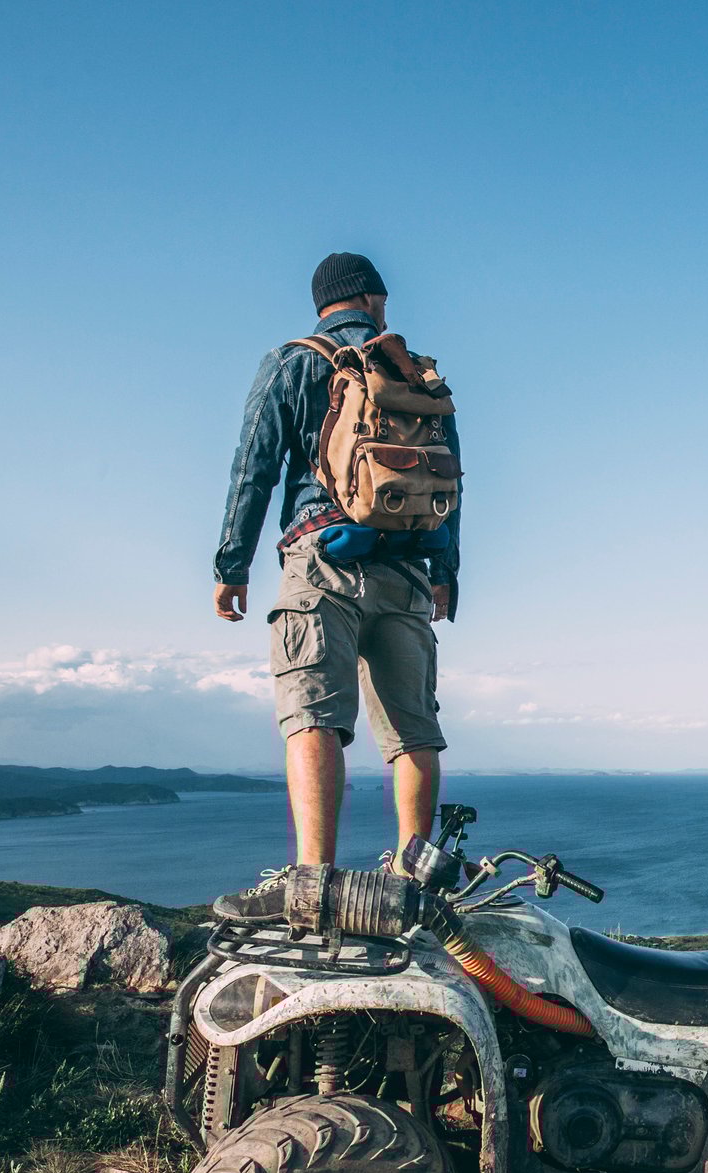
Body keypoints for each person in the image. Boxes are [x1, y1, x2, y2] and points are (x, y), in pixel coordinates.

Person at [209, 253, 460, 921]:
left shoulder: (293, 362)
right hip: (406, 566)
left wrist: (230, 565)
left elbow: (253, 468)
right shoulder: (415, 372)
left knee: (314, 715)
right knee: (412, 731)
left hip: (322, 555)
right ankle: (414, 877)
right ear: (375, 299)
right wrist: (444, 575)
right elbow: (450, 484)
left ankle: (313, 880)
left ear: (321, 304)